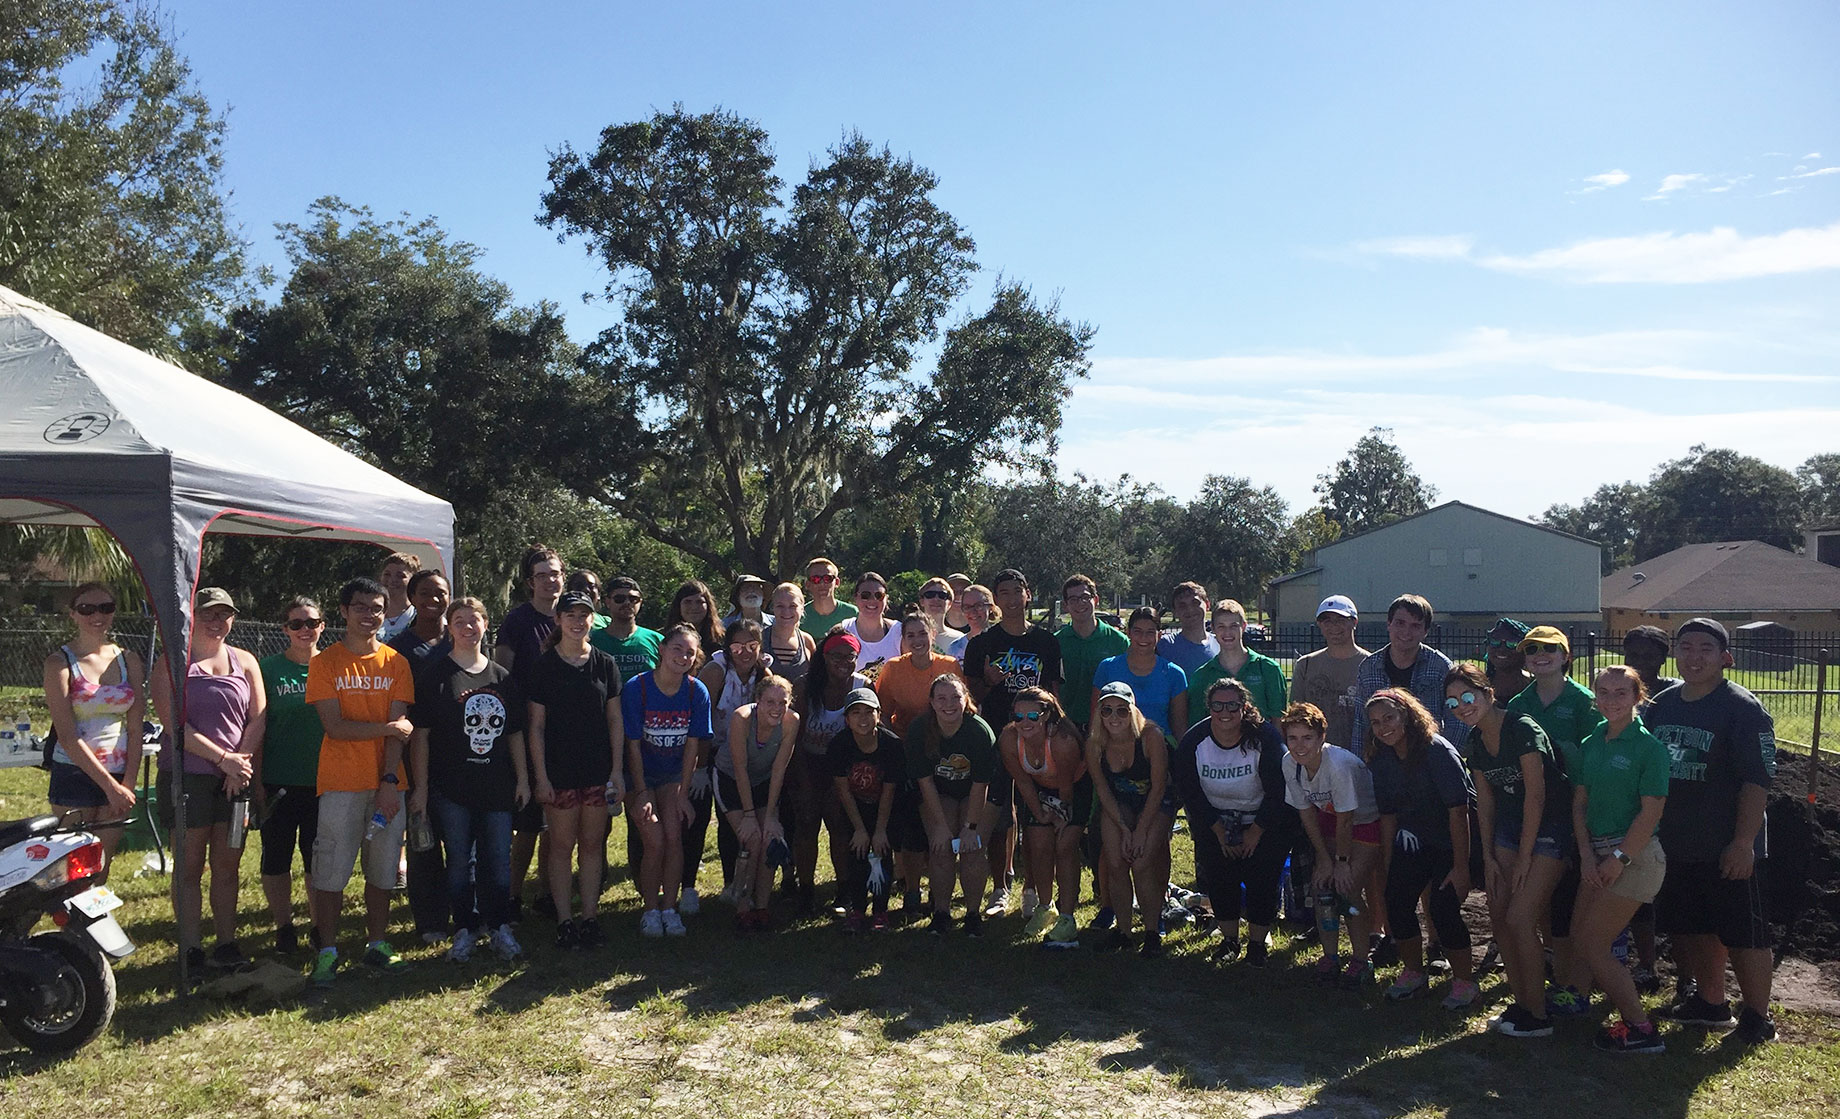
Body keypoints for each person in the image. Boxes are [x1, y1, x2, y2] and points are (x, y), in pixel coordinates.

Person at [1646, 618, 1778, 1043]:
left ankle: (1758, 1017)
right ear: (1676, 653)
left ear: (1726, 658)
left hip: (1726, 844)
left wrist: (1743, 843)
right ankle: (1712, 1003)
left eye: (1706, 648)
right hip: (1677, 842)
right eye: (1686, 647)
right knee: (1697, 926)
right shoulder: (1661, 705)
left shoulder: (1741, 708)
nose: (1694, 656)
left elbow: (1757, 781)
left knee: (1744, 933)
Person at [1444, 663, 1569, 1036]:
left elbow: (1537, 795)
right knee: (1499, 917)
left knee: (1519, 919)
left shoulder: (1521, 728)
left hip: (1550, 827)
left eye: (1468, 696)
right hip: (1508, 830)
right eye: (1453, 702)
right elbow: (1484, 801)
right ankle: (1521, 1005)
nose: (1462, 706)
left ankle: (1539, 1015)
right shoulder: (1475, 742)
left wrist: (1525, 858)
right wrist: (1488, 858)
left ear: (1488, 694)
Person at [305, 577, 417, 986]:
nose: (369, 615)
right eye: (360, 607)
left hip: (387, 783)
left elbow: (401, 732)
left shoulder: (396, 662)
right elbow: (334, 727)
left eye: (376, 607)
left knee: (383, 870)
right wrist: (388, 727)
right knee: (331, 870)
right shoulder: (326, 663)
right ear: (343, 611)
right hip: (339, 782)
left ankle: (377, 944)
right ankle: (328, 950)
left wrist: (390, 778)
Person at [150, 586, 265, 973]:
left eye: (225, 614)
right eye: (209, 614)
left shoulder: (245, 660)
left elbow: (258, 718)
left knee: (228, 866)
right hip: (190, 779)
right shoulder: (172, 664)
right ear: (193, 616)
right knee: (190, 867)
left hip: (235, 781)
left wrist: (239, 765)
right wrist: (223, 759)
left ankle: (227, 943)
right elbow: (175, 727)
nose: (217, 622)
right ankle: (191, 948)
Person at [406, 597, 528, 963]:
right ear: (449, 627)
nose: (467, 627)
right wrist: (423, 788)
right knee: (459, 860)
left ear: (485, 625)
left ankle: (499, 927)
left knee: (498, 860)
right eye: (459, 620)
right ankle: (464, 929)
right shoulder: (434, 675)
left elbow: (514, 734)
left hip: (497, 787)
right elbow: (421, 736)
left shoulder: (502, 678)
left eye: (474, 620)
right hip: (451, 789)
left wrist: (523, 779)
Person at [1560, 665, 1672, 1053]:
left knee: (1594, 943)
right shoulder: (1594, 741)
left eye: (1621, 693)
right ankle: (1575, 999)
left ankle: (1640, 1028)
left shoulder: (1649, 749)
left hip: (1635, 859)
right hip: (1598, 854)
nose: (1611, 700)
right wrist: (1588, 856)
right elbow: (1580, 804)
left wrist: (1619, 858)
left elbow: (1651, 813)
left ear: (1638, 697)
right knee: (1580, 935)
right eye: (1603, 692)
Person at [1504, 625, 1600, 1003]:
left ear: (1565, 656)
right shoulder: (1518, 705)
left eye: (1549, 649)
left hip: (1578, 812)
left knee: (1572, 905)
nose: (1539, 655)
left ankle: (1576, 985)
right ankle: (1558, 979)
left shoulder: (1584, 702)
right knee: (1540, 901)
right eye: (1532, 650)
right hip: (1534, 812)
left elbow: (1593, 760)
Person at [1366, 689, 1477, 1007]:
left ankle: (1465, 983)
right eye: (1375, 722)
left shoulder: (1436, 750)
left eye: (1389, 717)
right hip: (1412, 841)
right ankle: (1414, 973)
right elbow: (1388, 815)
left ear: (1407, 715)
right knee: (1396, 901)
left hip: (1450, 841)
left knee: (1443, 908)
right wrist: (1388, 864)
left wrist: (1461, 866)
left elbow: (1459, 810)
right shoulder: (1382, 757)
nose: (1383, 727)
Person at [1171, 679, 1294, 966]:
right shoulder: (1194, 741)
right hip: (1215, 817)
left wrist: (1255, 831)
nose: (1225, 712)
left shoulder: (1264, 737)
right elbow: (1190, 792)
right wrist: (1218, 831)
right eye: (1217, 705)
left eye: (1232, 705)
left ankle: (1257, 943)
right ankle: (1229, 940)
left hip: (1263, 817)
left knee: (1261, 878)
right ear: (1208, 707)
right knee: (1219, 876)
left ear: (1244, 707)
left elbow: (1278, 791)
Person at [528, 590, 624, 949]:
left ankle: (589, 917)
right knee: (561, 845)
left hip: (597, 770)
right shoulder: (544, 666)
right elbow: (536, 726)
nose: (577, 621)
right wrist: (541, 776)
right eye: (570, 614)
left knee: (592, 845)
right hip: (559, 771)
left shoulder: (605, 663)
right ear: (558, 619)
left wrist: (616, 770)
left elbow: (615, 720)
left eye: (584, 614)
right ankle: (564, 920)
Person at [964, 569, 1061, 915]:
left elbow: (1053, 691)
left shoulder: (1046, 642)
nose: (1010, 597)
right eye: (1002, 592)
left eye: (1016, 590)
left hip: (1037, 738)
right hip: (997, 738)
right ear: (995, 601)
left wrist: (1054, 730)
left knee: (1037, 814)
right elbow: (969, 697)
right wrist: (988, 683)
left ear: (1028, 594)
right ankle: (1000, 887)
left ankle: (1032, 890)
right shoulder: (981, 644)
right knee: (1001, 815)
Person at [1280, 702, 1382, 985]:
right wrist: (1324, 859)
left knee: (1346, 889)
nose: (1300, 746)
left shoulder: (1337, 765)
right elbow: (1305, 812)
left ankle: (1362, 960)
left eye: (1307, 738)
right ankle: (1331, 957)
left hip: (1364, 821)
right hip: (1328, 818)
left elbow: (1348, 820)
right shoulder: (1289, 762)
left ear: (1322, 737)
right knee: (1322, 887)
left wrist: (1342, 863)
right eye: (1293, 738)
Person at [42, 581, 145, 862]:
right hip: (74, 773)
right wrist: (111, 788)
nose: (96, 616)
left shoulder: (129, 660)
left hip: (120, 773)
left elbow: (137, 728)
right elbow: (67, 735)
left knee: (101, 862)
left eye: (105, 608)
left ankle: (97, 909)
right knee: (72, 863)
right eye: (86, 609)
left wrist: (128, 784)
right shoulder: (59, 663)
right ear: (73, 614)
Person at [622, 625, 714, 938]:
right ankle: (650, 909)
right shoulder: (638, 688)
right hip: (640, 773)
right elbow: (632, 744)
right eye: (677, 648)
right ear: (662, 649)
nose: (683, 656)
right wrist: (641, 792)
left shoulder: (695, 691)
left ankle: (670, 909)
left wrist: (684, 792)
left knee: (675, 836)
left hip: (674, 774)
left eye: (689, 652)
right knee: (655, 839)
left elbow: (693, 745)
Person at [257, 596, 326, 954]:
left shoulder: (333, 667)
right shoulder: (267, 669)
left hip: (323, 781)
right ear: (285, 629)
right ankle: (284, 927)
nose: (305, 630)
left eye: (311, 623)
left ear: (322, 627)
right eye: (296, 624)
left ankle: (318, 926)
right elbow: (257, 726)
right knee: (276, 856)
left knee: (317, 859)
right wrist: (255, 780)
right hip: (278, 780)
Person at [387, 567, 453, 943]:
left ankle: (466, 911)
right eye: (424, 593)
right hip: (415, 758)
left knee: (463, 842)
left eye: (440, 593)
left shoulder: (460, 641)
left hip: (461, 756)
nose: (433, 600)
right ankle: (430, 922)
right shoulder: (397, 650)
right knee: (422, 838)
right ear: (411, 599)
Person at [1087, 681, 1175, 955]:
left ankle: (1151, 932)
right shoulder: (1094, 743)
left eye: (1122, 711)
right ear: (1099, 713)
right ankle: (1123, 931)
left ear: (1133, 710)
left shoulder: (1150, 736)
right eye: (1108, 710)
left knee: (1141, 862)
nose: (1114, 718)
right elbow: (1102, 788)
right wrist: (1125, 829)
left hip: (1158, 801)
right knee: (1115, 861)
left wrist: (1140, 831)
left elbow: (1159, 787)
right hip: (1121, 801)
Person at [907, 673, 999, 936]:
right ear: (932, 703)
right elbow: (925, 782)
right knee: (941, 847)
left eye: (956, 697)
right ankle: (942, 912)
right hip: (939, 792)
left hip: (976, 791)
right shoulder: (919, 730)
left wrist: (970, 827)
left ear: (965, 699)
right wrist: (939, 826)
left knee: (972, 848)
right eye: (942, 698)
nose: (949, 704)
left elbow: (981, 784)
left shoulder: (979, 731)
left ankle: (972, 914)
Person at [999, 686, 1089, 944]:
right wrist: (1039, 812)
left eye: (1032, 717)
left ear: (1046, 715)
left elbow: (1066, 787)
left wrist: (1061, 814)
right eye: (1018, 717)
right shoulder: (1008, 739)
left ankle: (1067, 917)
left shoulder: (1063, 742)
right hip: (1038, 788)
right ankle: (1045, 906)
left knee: (1065, 846)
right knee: (1038, 844)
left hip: (1074, 786)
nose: (1024, 723)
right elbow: (1023, 783)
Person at [787, 632, 868, 913]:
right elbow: (794, 740)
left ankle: (844, 889)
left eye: (850, 656)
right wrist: (804, 782)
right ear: (824, 657)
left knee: (840, 826)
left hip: (844, 768)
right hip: (806, 763)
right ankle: (805, 889)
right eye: (836, 656)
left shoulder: (862, 687)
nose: (843, 662)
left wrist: (842, 784)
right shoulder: (805, 686)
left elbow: (866, 736)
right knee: (806, 825)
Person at [697, 620, 774, 903]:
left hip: (753, 755)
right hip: (718, 753)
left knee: (753, 818)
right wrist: (701, 766)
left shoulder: (765, 673)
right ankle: (731, 881)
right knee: (730, 821)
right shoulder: (715, 672)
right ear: (728, 647)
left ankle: (753, 884)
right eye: (737, 646)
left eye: (752, 646)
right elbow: (700, 721)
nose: (744, 652)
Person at [716, 673, 799, 931]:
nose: (776, 708)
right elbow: (739, 768)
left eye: (782, 702)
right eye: (770, 702)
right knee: (750, 838)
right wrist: (750, 815)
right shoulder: (742, 718)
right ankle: (742, 905)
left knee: (769, 838)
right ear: (758, 701)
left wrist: (771, 814)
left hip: (764, 781)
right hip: (730, 779)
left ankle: (761, 908)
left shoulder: (791, 722)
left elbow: (778, 770)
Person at [826, 689, 905, 932]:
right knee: (856, 854)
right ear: (847, 719)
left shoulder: (892, 745)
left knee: (882, 855)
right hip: (854, 808)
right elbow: (843, 789)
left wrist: (880, 830)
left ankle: (881, 910)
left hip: (887, 807)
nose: (862, 718)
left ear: (879, 716)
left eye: (869, 712)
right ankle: (857, 909)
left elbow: (890, 789)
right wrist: (860, 828)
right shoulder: (839, 745)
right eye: (855, 713)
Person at [1350, 594, 1462, 756]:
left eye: (1415, 626)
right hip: (1382, 760)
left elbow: (1456, 720)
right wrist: (1360, 765)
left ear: (1425, 632)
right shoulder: (1368, 668)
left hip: (1427, 757)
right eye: (1400, 623)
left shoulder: (1440, 667)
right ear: (1389, 624)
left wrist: (1441, 756)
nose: (1406, 632)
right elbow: (1361, 722)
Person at [1185, 600, 1286, 732]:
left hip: (1261, 746)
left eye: (1233, 626)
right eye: (1221, 626)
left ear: (1243, 627)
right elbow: (1197, 727)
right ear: (1213, 629)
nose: (1227, 632)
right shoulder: (1202, 675)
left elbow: (1278, 721)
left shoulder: (1268, 669)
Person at [1288, 595, 1369, 753]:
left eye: (1340, 620)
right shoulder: (1306, 664)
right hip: (1316, 756)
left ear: (1354, 622)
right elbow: (1296, 715)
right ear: (1319, 624)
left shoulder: (1370, 664)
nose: (1334, 626)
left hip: (1360, 754)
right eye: (1327, 621)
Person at [1093, 606, 1188, 737]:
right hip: (1115, 749)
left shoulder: (1174, 674)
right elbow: (1095, 720)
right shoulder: (1107, 668)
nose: (1143, 637)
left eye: (1150, 632)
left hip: (1161, 748)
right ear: (1128, 633)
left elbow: (1180, 727)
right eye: (1138, 631)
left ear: (1159, 635)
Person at [874, 613, 968, 735]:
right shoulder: (893, 668)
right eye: (911, 635)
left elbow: (964, 706)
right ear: (904, 638)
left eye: (923, 634)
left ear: (933, 634)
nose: (917, 640)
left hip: (944, 738)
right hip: (904, 738)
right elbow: (883, 714)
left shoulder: (950, 665)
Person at [1055, 573, 1127, 730]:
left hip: (1109, 727)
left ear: (1096, 600)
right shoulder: (1056, 642)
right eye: (1073, 599)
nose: (1080, 603)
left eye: (1085, 597)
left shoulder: (1119, 641)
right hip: (1065, 726)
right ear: (1066, 605)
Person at [589, 576, 664, 683]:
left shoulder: (657, 640)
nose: (627, 603)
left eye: (633, 599)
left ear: (640, 602)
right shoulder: (591, 640)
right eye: (619, 599)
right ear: (608, 602)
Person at [842, 571, 904, 679]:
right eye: (865, 595)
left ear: (886, 599)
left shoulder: (899, 632)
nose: (872, 600)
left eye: (878, 595)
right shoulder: (844, 630)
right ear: (856, 598)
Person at [1156, 581, 1218, 675]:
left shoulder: (1222, 643)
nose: (1190, 609)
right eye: (1182, 605)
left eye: (1195, 602)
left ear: (1207, 605)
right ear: (1175, 612)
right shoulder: (1163, 645)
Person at [764, 582, 815, 691]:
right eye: (780, 606)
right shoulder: (760, 639)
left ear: (802, 608)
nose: (786, 611)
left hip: (800, 706)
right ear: (773, 608)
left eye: (793, 606)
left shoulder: (807, 641)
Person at [798, 557, 857, 641]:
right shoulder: (799, 615)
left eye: (827, 579)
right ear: (807, 584)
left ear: (837, 582)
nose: (822, 583)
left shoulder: (852, 613)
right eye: (816, 579)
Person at [667, 579, 727, 660]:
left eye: (699, 602)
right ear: (678, 606)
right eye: (688, 602)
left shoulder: (722, 640)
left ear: (708, 606)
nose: (694, 607)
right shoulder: (664, 638)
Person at [1481, 618, 1533, 704]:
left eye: (1512, 643)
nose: (1502, 649)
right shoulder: (1478, 686)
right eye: (1495, 641)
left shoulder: (1536, 687)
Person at [1622, 626, 1680, 700]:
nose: (1640, 662)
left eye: (1648, 656)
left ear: (1663, 658)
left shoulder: (1676, 693)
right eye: (1634, 655)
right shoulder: (1609, 690)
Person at [376, 551, 421, 642]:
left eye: (400, 576)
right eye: (387, 574)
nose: (392, 580)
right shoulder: (372, 614)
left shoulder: (420, 616)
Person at [946, 582, 997, 661]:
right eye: (967, 607)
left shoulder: (1002, 641)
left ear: (990, 608)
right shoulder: (955, 648)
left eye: (979, 606)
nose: (973, 612)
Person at [916, 576, 965, 655]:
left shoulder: (959, 640)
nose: (936, 599)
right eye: (930, 594)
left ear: (949, 604)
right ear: (922, 601)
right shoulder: (908, 636)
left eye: (942, 595)